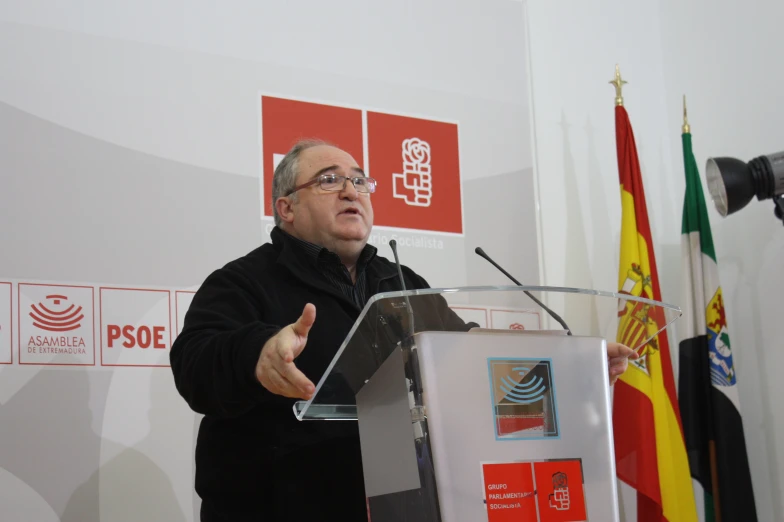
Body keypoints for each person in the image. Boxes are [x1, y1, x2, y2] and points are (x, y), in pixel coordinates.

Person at [170, 139, 637, 521]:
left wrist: (573, 374)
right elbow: (194, 361)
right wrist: (257, 355)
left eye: (359, 180)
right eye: (329, 180)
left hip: (401, 506)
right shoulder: (243, 281)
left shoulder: (400, 282)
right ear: (286, 208)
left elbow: (462, 362)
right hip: (277, 507)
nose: (351, 190)